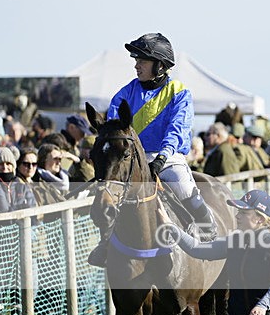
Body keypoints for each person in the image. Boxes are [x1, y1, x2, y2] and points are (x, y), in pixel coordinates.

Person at [90, 32, 217, 267]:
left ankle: (208, 229)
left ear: (159, 66)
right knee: (109, 196)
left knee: (182, 185)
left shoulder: (179, 92)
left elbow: (177, 129)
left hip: (167, 157)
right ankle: (105, 242)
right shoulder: (125, 93)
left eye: (142, 61)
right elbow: (115, 127)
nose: (136, 66)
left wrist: (161, 158)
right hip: (130, 159)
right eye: (136, 60)